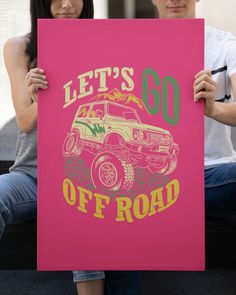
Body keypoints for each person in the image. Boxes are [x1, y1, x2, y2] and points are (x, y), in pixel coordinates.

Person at [2, 0, 140, 294]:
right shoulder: (19, 47)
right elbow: (25, 123)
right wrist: (40, 97)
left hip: (83, 178)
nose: (66, 5)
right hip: (32, 176)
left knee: (84, 212)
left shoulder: (102, 44)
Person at [151, 0, 236, 217]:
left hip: (212, 171)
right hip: (151, 176)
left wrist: (213, 109)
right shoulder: (131, 46)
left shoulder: (225, 45)